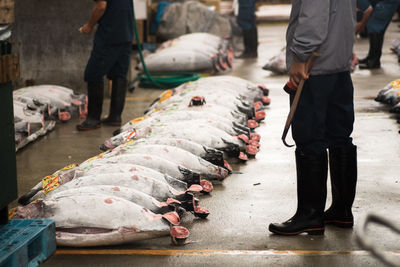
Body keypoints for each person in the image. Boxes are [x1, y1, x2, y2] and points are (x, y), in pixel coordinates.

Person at [269, 0, 358, 236]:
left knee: (309, 137)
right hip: (338, 64)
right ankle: (341, 211)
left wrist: (300, 56)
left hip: (315, 65)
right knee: (340, 136)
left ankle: (310, 215)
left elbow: (313, 18)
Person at [77, 0, 134, 131]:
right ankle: (115, 117)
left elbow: (101, 6)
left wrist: (89, 25)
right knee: (119, 74)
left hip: (109, 35)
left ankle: (93, 119)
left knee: (93, 74)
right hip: (126, 34)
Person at [357, 0, 400, 69]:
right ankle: (371, 57)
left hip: (387, 2)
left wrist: (360, 27)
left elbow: (368, 10)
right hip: (386, 2)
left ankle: (374, 61)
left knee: (374, 27)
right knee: (378, 28)